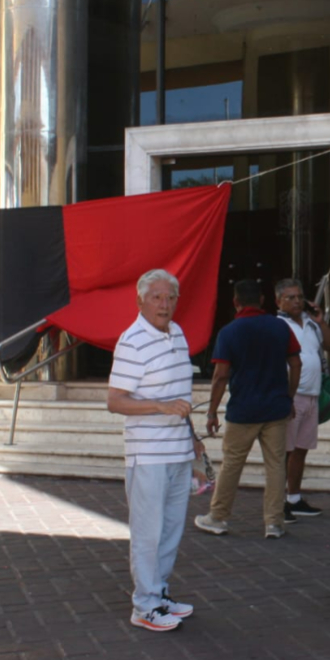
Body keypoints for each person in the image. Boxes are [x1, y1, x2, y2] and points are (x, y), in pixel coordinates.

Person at [107, 269, 200, 632]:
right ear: (140, 301)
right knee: (148, 531)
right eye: (157, 297)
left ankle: (159, 593)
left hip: (178, 451)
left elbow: (184, 397)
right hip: (147, 454)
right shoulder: (131, 341)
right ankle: (144, 605)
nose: (164, 304)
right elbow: (115, 401)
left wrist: (192, 441)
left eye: (170, 297)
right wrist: (160, 407)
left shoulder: (177, 334)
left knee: (171, 530)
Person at [195, 279, 301, 539]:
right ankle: (274, 523)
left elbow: (220, 375)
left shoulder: (229, 332)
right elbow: (296, 364)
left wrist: (212, 411)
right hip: (276, 408)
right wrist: (289, 397)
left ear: (235, 302)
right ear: (263, 300)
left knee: (232, 464)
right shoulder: (280, 327)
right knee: (276, 465)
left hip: (243, 409)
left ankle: (218, 517)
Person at [275, 277, 330, 522]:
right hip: (292, 395)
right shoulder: (278, 325)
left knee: (301, 450)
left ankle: (294, 498)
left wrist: (321, 322)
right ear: (278, 301)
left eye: (300, 296)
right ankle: (278, 501)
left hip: (313, 395)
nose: (296, 301)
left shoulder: (311, 325)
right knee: (285, 451)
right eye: (290, 297)